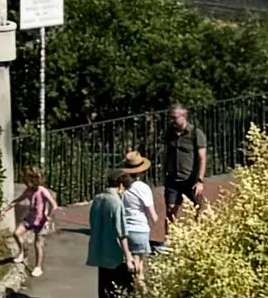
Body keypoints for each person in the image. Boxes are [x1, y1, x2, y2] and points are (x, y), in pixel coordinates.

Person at [0, 165, 57, 278]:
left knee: (38, 244)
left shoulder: (42, 191)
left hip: (41, 221)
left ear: (35, 180)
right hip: (30, 218)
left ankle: (38, 267)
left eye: (28, 180)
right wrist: (4, 211)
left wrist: (48, 217)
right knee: (16, 233)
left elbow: (54, 205)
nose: (26, 183)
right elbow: (17, 200)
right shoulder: (28, 191)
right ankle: (22, 251)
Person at [87, 173, 134, 298]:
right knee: (119, 287)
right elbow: (121, 232)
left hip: (99, 249)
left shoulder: (98, 199)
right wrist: (128, 256)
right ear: (121, 185)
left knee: (103, 286)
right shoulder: (116, 203)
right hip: (114, 252)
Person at [161, 105, 208, 220]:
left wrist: (200, 180)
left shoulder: (195, 133)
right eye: (171, 117)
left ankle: (198, 234)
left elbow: (202, 158)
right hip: (173, 179)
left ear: (184, 116)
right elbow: (166, 153)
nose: (172, 120)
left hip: (190, 180)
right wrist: (164, 172)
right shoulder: (170, 133)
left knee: (197, 210)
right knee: (170, 210)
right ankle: (170, 237)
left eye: (174, 117)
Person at [120, 152, 157, 287]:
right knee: (139, 266)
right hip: (140, 228)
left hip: (124, 228)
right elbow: (152, 214)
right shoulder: (142, 188)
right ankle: (140, 290)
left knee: (129, 260)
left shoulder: (121, 187)